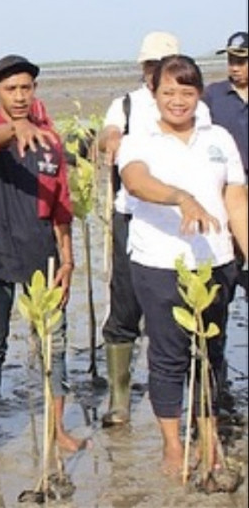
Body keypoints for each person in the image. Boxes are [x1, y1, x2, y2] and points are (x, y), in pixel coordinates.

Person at [117, 54, 248, 475]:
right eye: (168, 91)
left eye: (186, 92)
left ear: (199, 94)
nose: (177, 100)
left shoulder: (219, 138)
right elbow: (136, 180)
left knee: (211, 352)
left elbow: (236, 200)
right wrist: (180, 197)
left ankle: (209, 441)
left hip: (215, 262)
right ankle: (173, 443)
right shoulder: (139, 140)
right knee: (169, 356)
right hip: (159, 263)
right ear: (153, 94)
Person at [0, 54, 86, 461]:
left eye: (26, 88)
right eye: (11, 89)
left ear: (35, 90)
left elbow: (61, 208)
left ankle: (57, 428)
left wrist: (67, 261)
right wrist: (14, 128)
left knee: (53, 346)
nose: (19, 96)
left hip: (43, 260)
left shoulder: (50, 140)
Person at [97, 31, 213, 427]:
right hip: (134, 217)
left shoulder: (195, 104)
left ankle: (202, 396)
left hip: (188, 222)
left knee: (192, 307)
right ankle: (120, 398)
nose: (154, 73)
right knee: (125, 305)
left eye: (162, 64)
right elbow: (108, 135)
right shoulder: (126, 103)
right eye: (149, 66)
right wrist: (111, 138)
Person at [203, 31, 248, 298]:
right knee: (227, 264)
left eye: (241, 61)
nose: (234, 67)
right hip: (228, 191)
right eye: (231, 60)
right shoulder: (213, 96)